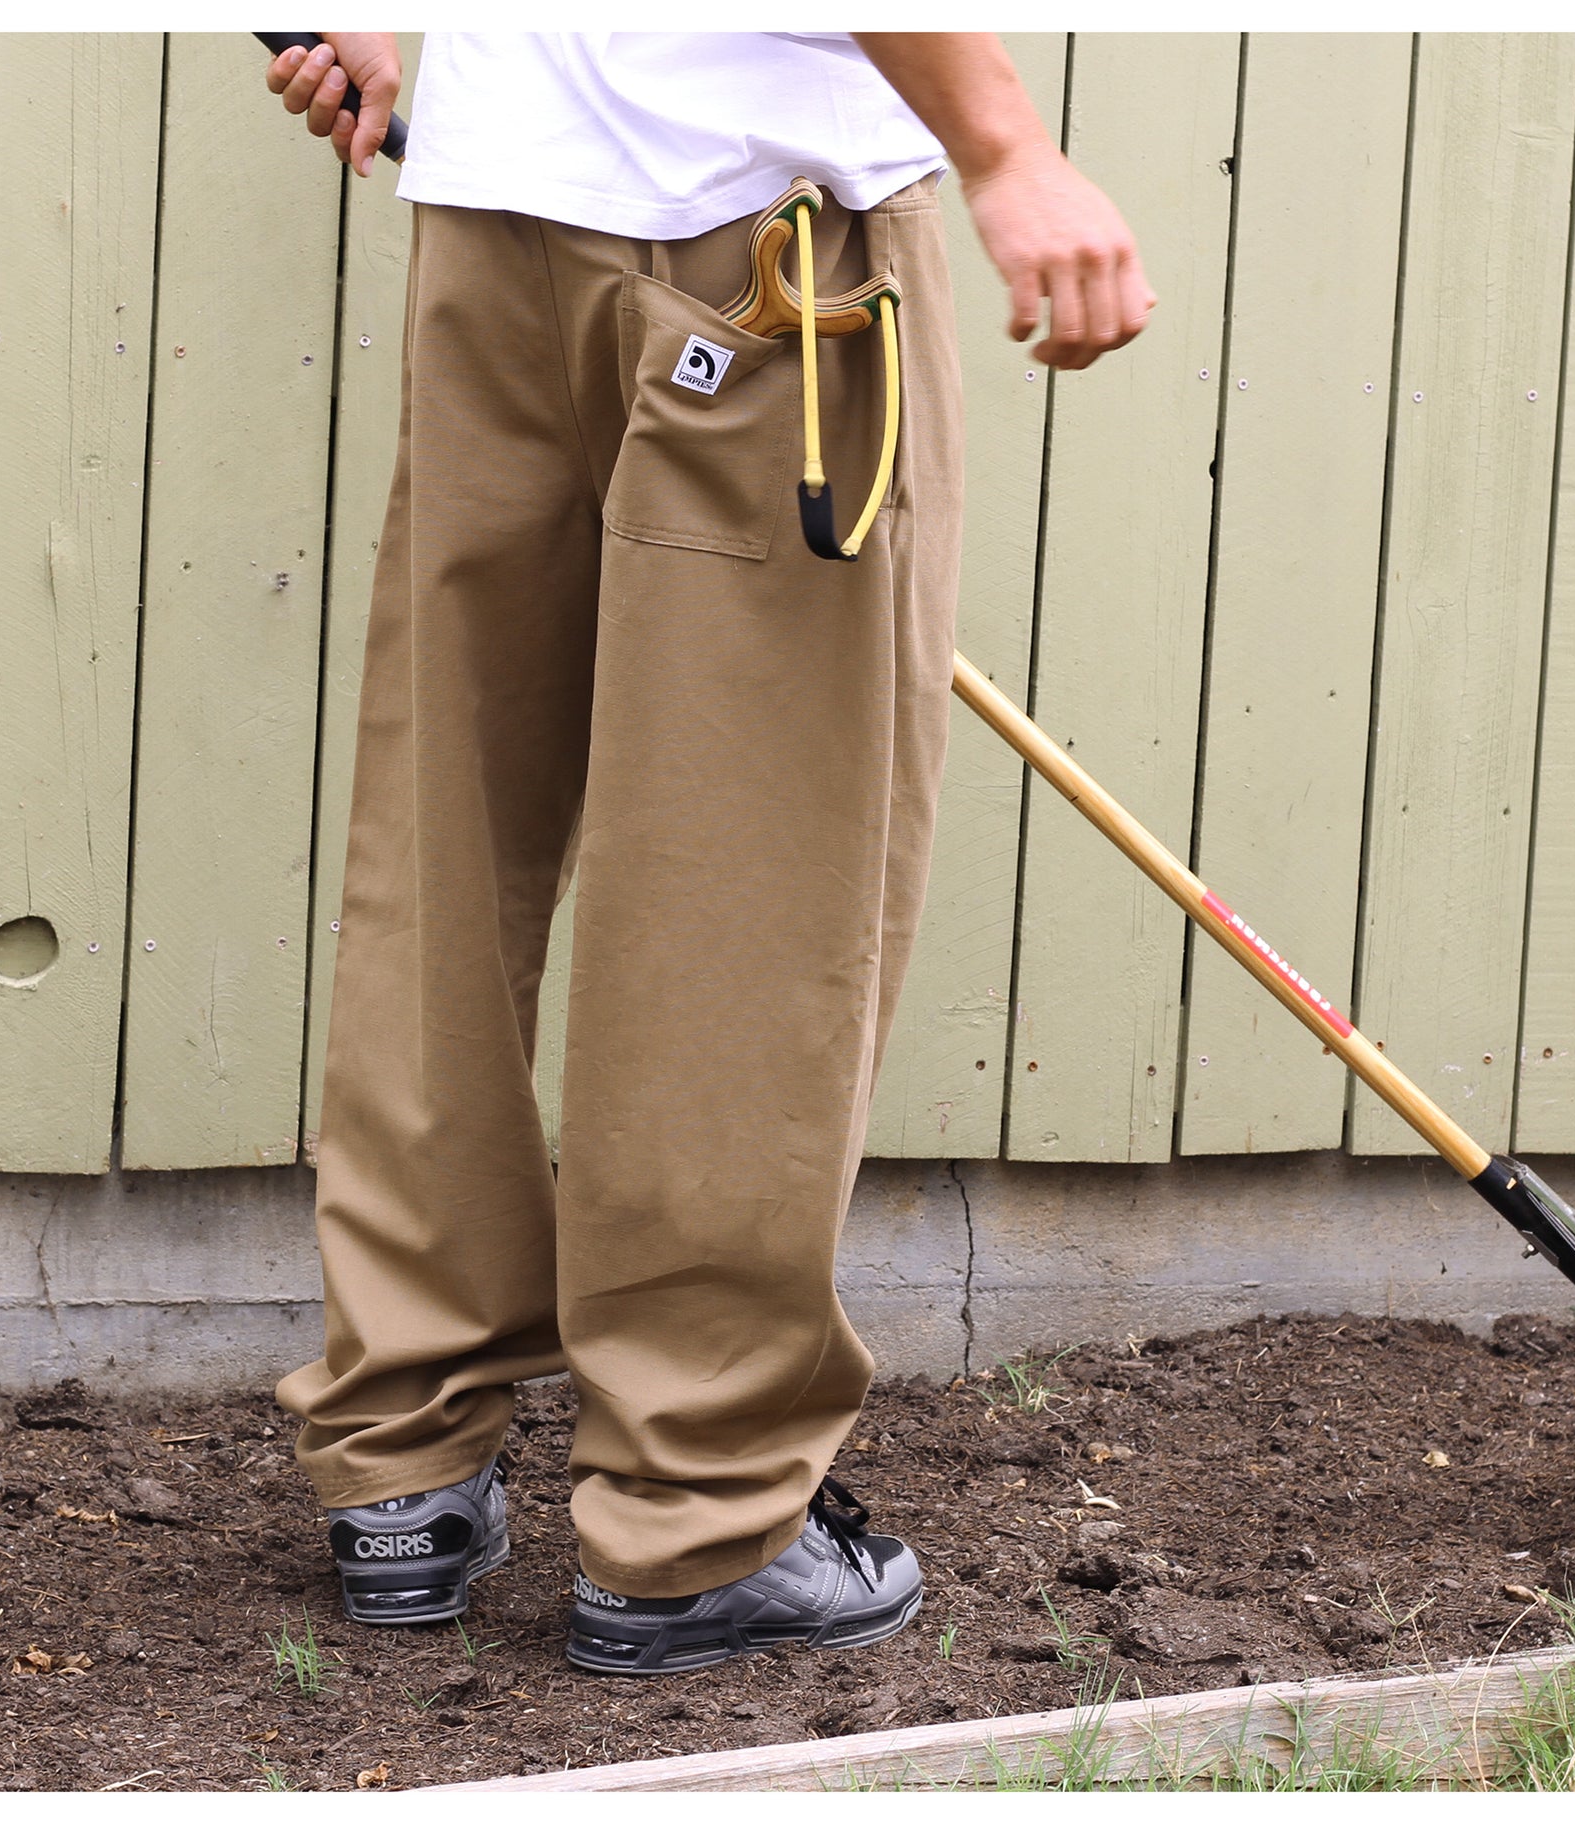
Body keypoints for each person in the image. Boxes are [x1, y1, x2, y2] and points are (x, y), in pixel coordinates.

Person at [261, 30, 1151, 1678]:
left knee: (444, 849)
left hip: (495, 214)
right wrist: (1007, 145)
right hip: (762, 237)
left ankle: (402, 1461)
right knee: (750, 882)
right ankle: (695, 1517)